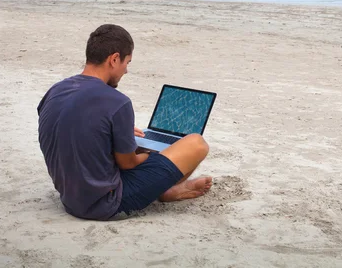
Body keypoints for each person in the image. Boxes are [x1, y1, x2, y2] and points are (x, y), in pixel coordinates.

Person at [37, 24, 212, 220]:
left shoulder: (55, 91)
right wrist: (149, 153)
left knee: (132, 146)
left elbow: (70, 128)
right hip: (106, 202)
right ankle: (166, 191)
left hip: (71, 198)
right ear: (114, 59)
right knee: (196, 142)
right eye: (126, 63)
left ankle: (167, 188)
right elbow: (128, 164)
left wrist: (115, 132)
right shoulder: (117, 102)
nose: (126, 71)